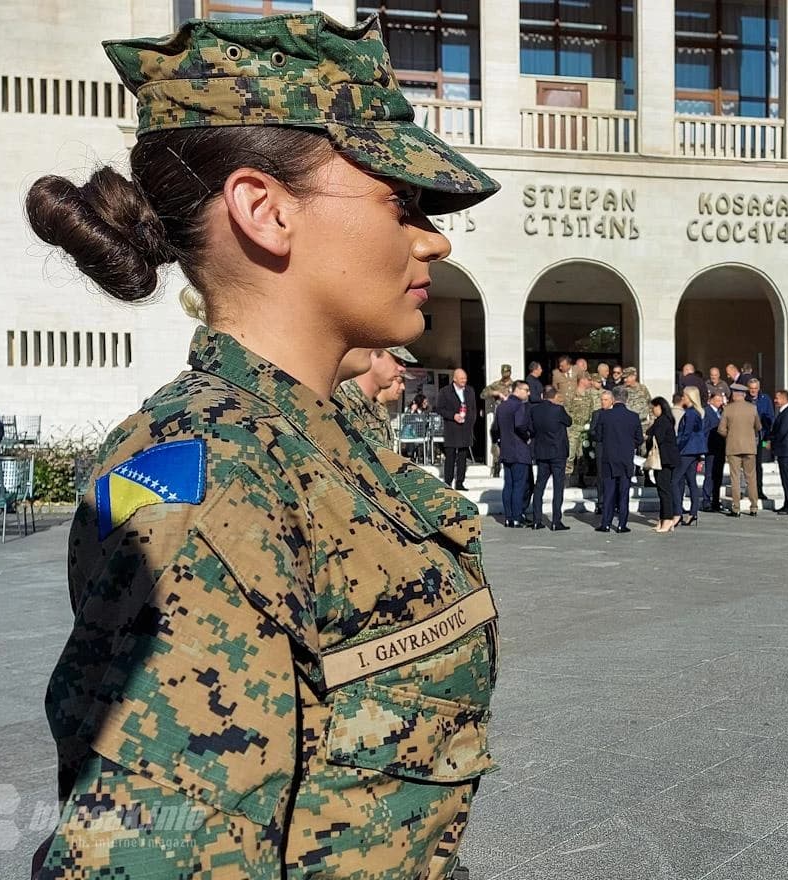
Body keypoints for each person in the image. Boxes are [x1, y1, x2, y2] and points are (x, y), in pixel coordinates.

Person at [25, 12, 501, 880]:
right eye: (400, 202)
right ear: (264, 209)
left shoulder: (323, 432)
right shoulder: (215, 487)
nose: (433, 237)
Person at [338, 346, 414, 448]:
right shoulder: (344, 402)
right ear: (373, 354)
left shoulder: (378, 407)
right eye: (396, 360)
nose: (402, 368)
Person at [591, 389, 643, 533]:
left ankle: (606, 523)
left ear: (613, 399)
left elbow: (598, 436)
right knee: (624, 492)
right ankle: (622, 524)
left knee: (609, 491)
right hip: (626, 458)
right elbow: (639, 439)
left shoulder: (605, 415)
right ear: (626, 399)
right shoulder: (633, 416)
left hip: (609, 457)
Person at [530, 386, 572, 531]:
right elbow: (569, 421)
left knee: (539, 486)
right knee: (558, 487)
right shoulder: (558, 410)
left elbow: (532, 428)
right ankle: (556, 521)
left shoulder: (534, 410)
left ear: (542, 396)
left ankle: (536, 520)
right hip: (558, 453)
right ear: (554, 397)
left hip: (542, 452)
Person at [718, 383, 762, 517]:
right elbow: (758, 427)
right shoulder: (752, 408)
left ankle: (736, 508)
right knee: (751, 478)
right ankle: (754, 507)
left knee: (735, 478)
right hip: (749, 447)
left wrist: (730, 436)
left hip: (733, 447)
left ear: (735, 394)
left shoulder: (728, 409)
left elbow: (721, 429)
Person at [493, 380, 532, 527]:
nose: (528, 393)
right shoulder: (519, 406)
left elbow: (495, 428)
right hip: (519, 451)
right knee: (518, 485)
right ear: (518, 389)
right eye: (526, 390)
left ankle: (508, 517)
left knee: (508, 485)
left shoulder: (502, 407)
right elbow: (520, 425)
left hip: (506, 450)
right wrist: (527, 437)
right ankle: (516, 517)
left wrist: (500, 441)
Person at [435, 367, 479, 490]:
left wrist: (471, 421)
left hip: (466, 428)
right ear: (454, 379)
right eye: (461, 378)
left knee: (463, 456)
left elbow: (473, 408)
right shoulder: (445, 391)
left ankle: (460, 482)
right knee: (450, 456)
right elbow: (440, 409)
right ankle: (448, 482)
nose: (464, 380)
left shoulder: (470, 391)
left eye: (465, 378)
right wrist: (453, 416)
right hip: (452, 428)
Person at [646, 396, 681, 533]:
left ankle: (668, 519)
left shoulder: (662, 421)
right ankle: (663, 519)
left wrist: (650, 432)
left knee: (665, 490)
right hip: (664, 459)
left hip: (664, 460)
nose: (652, 410)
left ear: (660, 407)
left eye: (654, 407)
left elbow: (656, 436)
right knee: (662, 490)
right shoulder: (663, 420)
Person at [673, 387, 707, 525]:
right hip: (694, 450)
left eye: (685, 396)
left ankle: (677, 512)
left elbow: (686, 434)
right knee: (691, 481)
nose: (683, 398)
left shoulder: (691, 413)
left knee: (674, 480)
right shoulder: (697, 412)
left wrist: (677, 447)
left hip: (687, 450)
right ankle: (693, 512)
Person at [565, 372, 599, 485]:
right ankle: (566, 477)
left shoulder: (589, 397)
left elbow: (591, 412)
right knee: (570, 453)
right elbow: (566, 411)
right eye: (588, 380)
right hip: (573, 428)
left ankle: (581, 477)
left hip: (584, 429)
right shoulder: (571, 394)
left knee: (582, 454)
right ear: (582, 380)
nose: (590, 382)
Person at [482, 364, 514, 477]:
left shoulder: (515, 385)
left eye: (507, 372)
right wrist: (494, 393)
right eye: (504, 372)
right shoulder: (496, 385)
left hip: (512, 418)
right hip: (499, 417)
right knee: (496, 441)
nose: (506, 374)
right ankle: (496, 464)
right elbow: (483, 394)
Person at [770, 389, 788, 515]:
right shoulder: (782, 412)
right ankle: (787, 504)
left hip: (787, 450)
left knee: (787, 479)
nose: (775, 400)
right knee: (785, 478)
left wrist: (770, 443)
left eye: (777, 398)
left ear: (784, 398)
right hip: (783, 450)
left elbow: (782, 432)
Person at [747, 377, 774, 503]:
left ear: (759, 388)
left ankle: (759, 490)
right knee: (746, 464)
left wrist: (767, 438)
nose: (753, 391)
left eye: (755, 389)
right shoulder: (744, 399)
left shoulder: (765, 399)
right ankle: (747, 489)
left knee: (758, 465)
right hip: (745, 436)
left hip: (759, 436)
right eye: (751, 389)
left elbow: (770, 418)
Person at [702, 390, 726, 512]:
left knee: (718, 475)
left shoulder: (721, 412)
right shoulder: (707, 412)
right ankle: (706, 500)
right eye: (717, 400)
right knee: (710, 475)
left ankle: (716, 500)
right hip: (711, 448)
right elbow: (704, 430)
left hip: (721, 448)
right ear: (711, 400)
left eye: (721, 400)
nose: (720, 403)